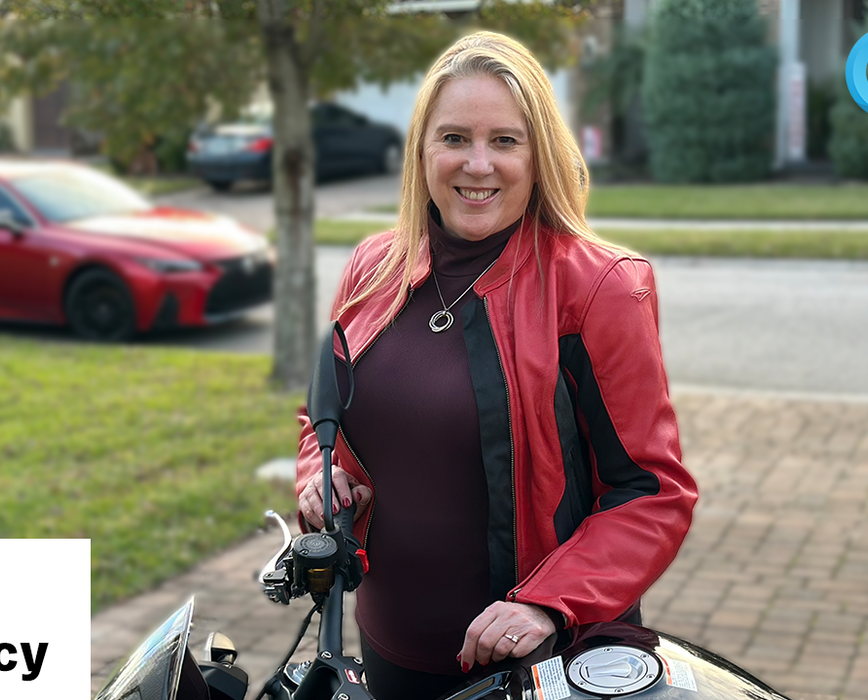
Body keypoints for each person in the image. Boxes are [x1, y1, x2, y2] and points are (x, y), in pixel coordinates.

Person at [294, 31, 697, 699]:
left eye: (504, 141)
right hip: (386, 646)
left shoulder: (598, 287)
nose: (476, 165)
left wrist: (546, 602)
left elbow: (650, 493)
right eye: (453, 138)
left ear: (538, 155)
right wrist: (323, 474)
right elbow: (323, 414)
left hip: (536, 659)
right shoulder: (374, 267)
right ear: (421, 153)